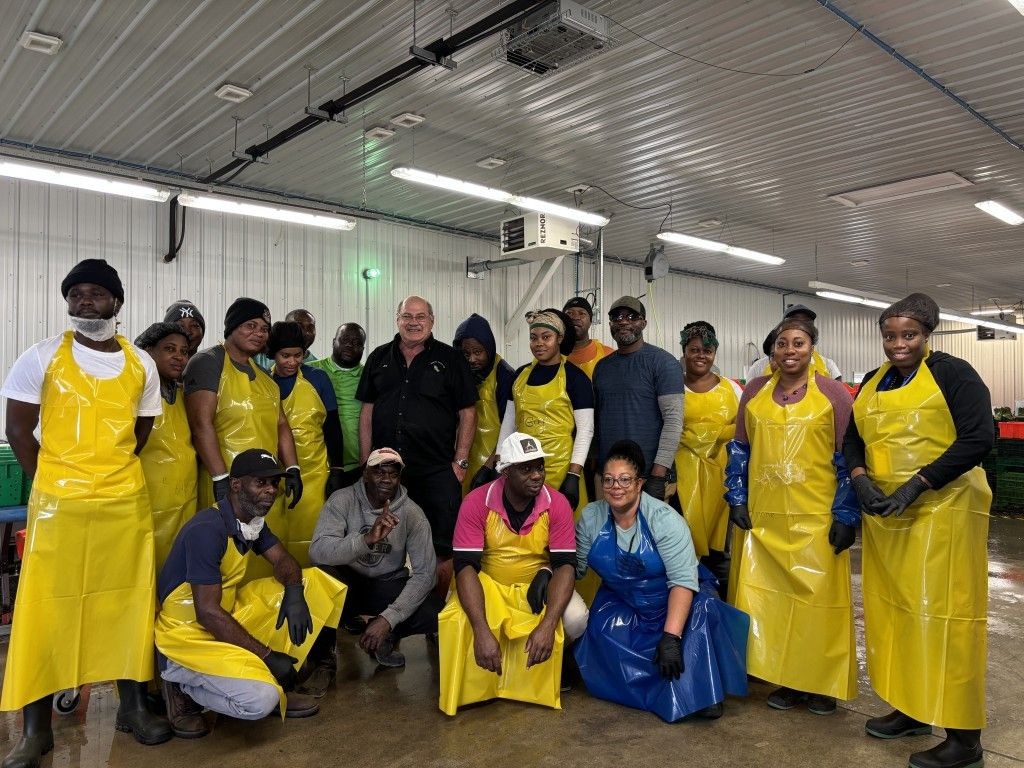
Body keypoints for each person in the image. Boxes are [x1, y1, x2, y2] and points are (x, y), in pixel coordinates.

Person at [1, 259, 172, 766]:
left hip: (124, 503)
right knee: (45, 609)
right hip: (60, 507)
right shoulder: (41, 357)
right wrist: (54, 482)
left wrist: (108, 473)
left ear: (116, 303)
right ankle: (36, 730)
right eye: (76, 294)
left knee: (126, 604)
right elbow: (17, 430)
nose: (85, 302)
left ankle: (133, 707)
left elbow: (140, 434)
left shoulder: (141, 363)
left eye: (96, 293)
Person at [843, 293, 993, 768]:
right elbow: (852, 438)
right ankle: (910, 708)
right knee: (896, 614)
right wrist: (861, 479)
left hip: (944, 512)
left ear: (928, 335)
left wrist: (919, 484)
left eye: (908, 335)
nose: (898, 344)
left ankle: (965, 737)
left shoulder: (954, 374)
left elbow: (978, 437)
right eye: (890, 336)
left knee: (947, 617)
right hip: (888, 517)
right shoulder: (873, 380)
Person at [155, 449, 346, 736]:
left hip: (225, 615)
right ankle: (182, 685)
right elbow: (206, 612)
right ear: (235, 485)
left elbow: (283, 560)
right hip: (188, 635)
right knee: (260, 701)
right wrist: (268, 655)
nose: (271, 491)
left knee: (314, 582)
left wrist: (294, 591)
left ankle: (274, 680)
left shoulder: (251, 522)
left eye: (274, 484)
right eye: (261, 483)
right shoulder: (208, 529)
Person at [725, 316, 859, 716]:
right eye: (782, 344)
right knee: (774, 603)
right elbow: (739, 450)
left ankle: (821, 685)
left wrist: (846, 513)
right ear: (772, 352)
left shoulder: (834, 395)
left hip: (817, 519)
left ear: (812, 348)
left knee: (819, 605)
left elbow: (848, 454)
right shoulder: (753, 391)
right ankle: (785, 678)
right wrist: (736, 497)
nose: (789, 351)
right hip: (764, 521)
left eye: (798, 343)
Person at [574, 439, 749, 722]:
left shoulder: (665, 519)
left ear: (640, 483)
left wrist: (670, 637)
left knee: (700, 619)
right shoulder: (591, 517)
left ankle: (701, 689)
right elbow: (577, 567)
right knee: (601, 627)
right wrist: (549, 568)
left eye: (624, 480)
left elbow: (681, 581)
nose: (615, 487)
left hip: (675, 598)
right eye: (608, 480)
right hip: (625, 599)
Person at [439, 431, 589, 715]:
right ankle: (483, 679)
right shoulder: (475, 502)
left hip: (535, 587)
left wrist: (548, 625)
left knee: (576, 618)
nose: (536, 475)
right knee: (457, 618)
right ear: (505, 472)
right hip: (488, 582)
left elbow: (566, 566)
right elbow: (465, 567)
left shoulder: (556, 503)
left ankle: (552, 662)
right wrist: (481, 630)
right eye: (526, 468)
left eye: (540, 466)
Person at [357, 295, 478, 596]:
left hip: (437, 471)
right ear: (397, 319)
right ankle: (385, 616)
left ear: (432, 321)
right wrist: (365, 463)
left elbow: (468, 413)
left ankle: (433, 619)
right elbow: (367, 412)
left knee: (441, 548)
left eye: (421, 316)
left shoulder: (451, 360)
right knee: (382, 543)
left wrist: (459, 464)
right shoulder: (378, 357)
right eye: (407, 316)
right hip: (386, 472)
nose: (414, 322)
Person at [306, 448, 444, 693]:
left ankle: (383, 634)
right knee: (319, 579)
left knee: (434, 611)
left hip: (386, 584)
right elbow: (318, 551)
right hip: (349, 583)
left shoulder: (412, 513)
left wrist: (387, 619)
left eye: (393, 473)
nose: (386, 479)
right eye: (379, 472)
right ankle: (323, 661)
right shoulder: (342, 500)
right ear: (365, 474)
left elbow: (425, 574)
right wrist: (366, 540)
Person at [182, 297, 303, 549]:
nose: (259, 333)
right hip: (229, 482)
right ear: (232, 327)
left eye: (264, 328)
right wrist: (220, 478)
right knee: (224, 552)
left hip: (264, 485)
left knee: (262, 549)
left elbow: (281, 424)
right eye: (250, 325)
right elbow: (200, 424)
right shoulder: (208, 362)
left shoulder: (267, 380)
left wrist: (292, 468)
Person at [491, 309, 594, 517]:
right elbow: (509, 424)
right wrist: (499, 464)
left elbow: (586, 430)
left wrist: (573, 475)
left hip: (561, 467)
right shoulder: (520, 376)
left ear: (560, 338)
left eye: (546, 337)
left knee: (560, 528)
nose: (539, 343)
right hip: (522, 468)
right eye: (533, 337)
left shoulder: (576, 378)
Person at [267, 321, 347, 567]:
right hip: (274, 473)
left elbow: (332, 427)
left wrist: (337, 470)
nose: (292, 362)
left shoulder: (318, 379)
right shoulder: (262, 381)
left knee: (312, 536)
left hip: (313, 474)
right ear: (272, 354)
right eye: (285, 356)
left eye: (298, 355)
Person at [673, 321, 743, 596]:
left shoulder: (733, 390)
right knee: (681, 550)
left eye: (708, 350)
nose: (701, 356)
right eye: (694, 350)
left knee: (721, 556)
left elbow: (744, 434)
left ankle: (721, 615)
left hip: (722, 483)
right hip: (682, 483)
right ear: (684, 351)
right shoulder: (672, 387)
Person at [592, 296, 684, 502]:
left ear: (643, 323)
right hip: (609, 477)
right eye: (617, 317)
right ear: (610, 324)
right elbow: (598, 422)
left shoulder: (664, 363)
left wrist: (658, 476)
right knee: (609, 534)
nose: (623, 321)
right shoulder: (602, 367)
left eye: (632, 316)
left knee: (651, 534)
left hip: (649, 476)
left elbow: (673, 421)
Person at [136, 322, 199, 573]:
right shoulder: (135, 392)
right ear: (149, 351)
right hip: (149, 500)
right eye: (169, 349)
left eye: (184, 351)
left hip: (185, 499)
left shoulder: (183, 395)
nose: (179, 357)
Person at [454, 313, 516, 495]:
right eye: (466, 354)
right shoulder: (462, 376)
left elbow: (510, 427)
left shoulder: (505, 376)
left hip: (494, 462)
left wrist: (489, 467)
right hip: (464, 460)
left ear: (489, 348)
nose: (472, 359)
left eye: (478, 352)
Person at [310, 322, 366, 486]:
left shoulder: (369, 376)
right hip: (318, 464)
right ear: (334, 341)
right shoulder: (311, 371)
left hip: (358, 466)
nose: (350, 346)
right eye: (345, 340)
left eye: (357, 343)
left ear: (363, 349)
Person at [744, 304, 842, 382]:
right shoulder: (759, 367)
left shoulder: (828, 365)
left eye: (807, 323)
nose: (801, 327)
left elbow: (839, 397)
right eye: (795, 321)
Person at [563, 296, 613, 379]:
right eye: (569, 313)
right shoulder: (552, 355)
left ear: (590, 321)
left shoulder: (609, 356)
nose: (575, 317)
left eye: (582, 313)